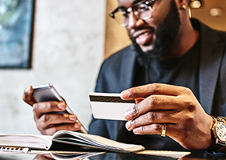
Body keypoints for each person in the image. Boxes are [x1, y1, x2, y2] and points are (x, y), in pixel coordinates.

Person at [23, 0, 226, 155]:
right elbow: (100, 151)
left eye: (143, 5)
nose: (133, 23)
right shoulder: (112, 67)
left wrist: (213, 131)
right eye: (124, 12)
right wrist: (68, 138)